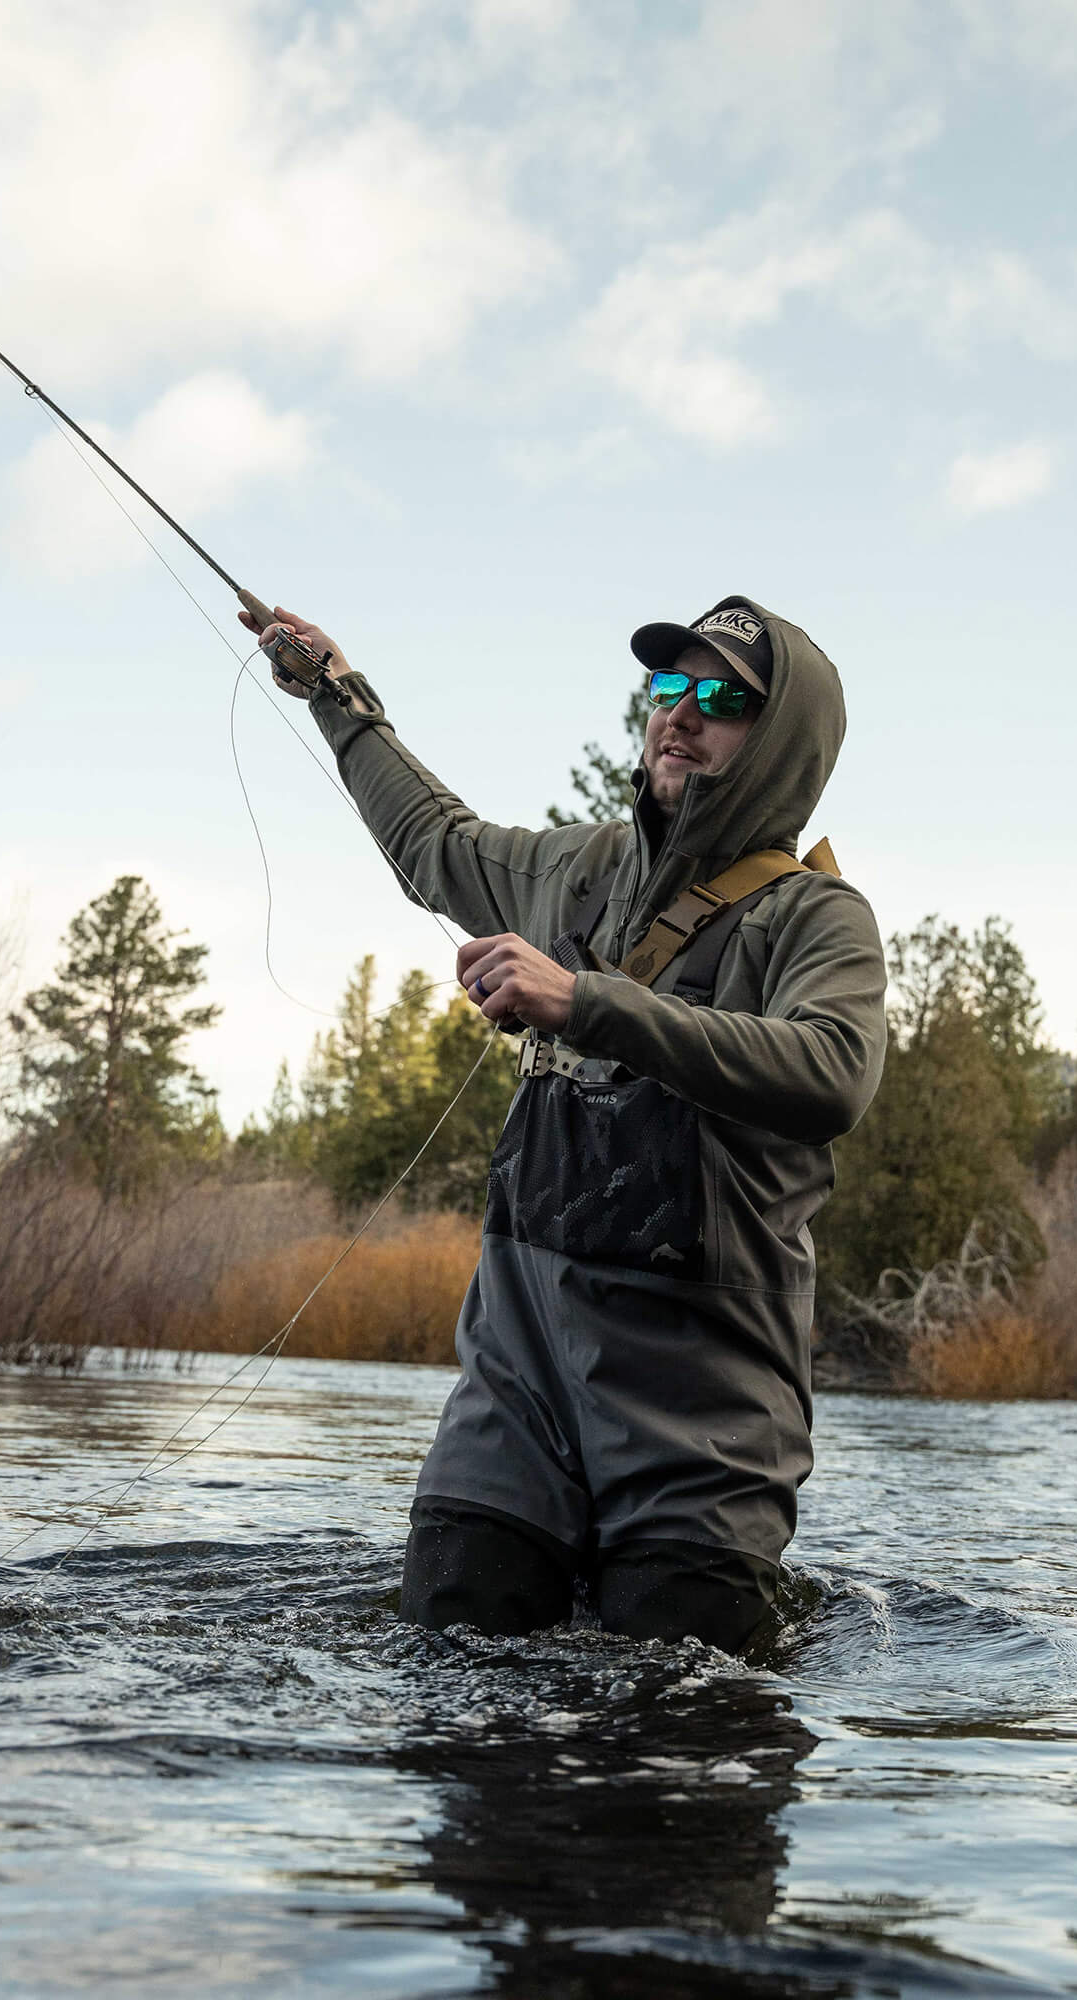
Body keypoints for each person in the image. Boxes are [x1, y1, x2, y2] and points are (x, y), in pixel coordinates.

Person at [240, 593, 887, 1653]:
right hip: (517, 1397)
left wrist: (587, 1003)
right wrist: (336, 696)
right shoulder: (579, 871)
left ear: (779, 741)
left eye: (720, 696)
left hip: (703, 1430)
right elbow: (431, 843)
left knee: (671, 1749)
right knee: (453, 1679)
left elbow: (835, 1070)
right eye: (668, 687)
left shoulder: (815, 918)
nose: (679, 712)